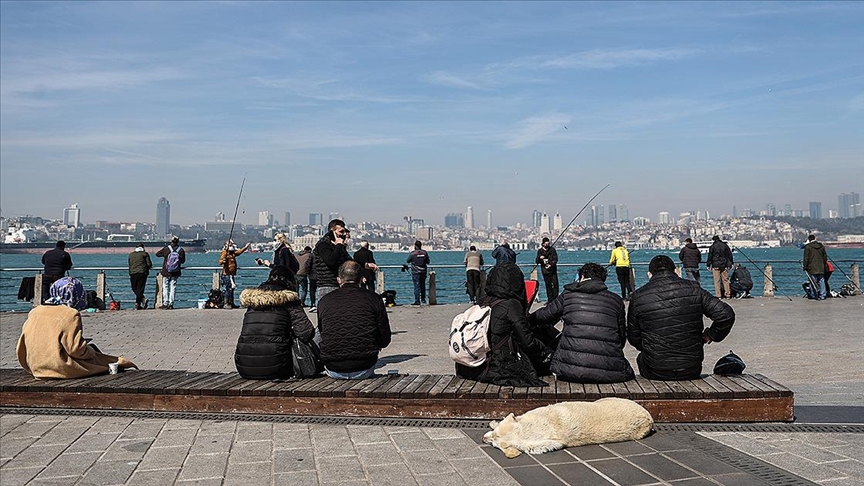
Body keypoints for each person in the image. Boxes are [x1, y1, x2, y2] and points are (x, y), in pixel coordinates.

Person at [627, 255, 735, 381]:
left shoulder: (638, 296)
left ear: (649, 274)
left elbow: (633, 336)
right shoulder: (694, 288)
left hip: (656, 369)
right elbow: (726, 315)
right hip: (690, 368)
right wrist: (711, 335)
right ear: (675, 271)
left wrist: (652, 346)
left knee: (641, 358)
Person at [529, 263, 634, 383]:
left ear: (582, 277)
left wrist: (523, 320)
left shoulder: (569, 294)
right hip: (612, 371)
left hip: (569, 370)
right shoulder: (616, 300)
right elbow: (621, 337)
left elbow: (543, 316)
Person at [455, 263, 548, 387]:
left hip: (471, 367)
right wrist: (547, 352)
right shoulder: (511, 305)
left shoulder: (483, 301)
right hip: (497, 368)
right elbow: (527, 342)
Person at [17, 284, 137, 379]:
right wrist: (91, 352)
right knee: (101, 358)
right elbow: (76, 350)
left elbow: (22, 344)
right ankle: (124, 364)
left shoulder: (35, 311)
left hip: (36, 368)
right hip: (59, 368)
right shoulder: (70, 314)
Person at [234, 266, 315, 380]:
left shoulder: (254, 301)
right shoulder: (288, 300)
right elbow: (306, 332)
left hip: (244, 367)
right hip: (277, 367)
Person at [317, 261, 391, 380]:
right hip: (364, 365)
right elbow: (385, 339)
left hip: (333, 366)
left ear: (339, 280)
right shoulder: (374, 298)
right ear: (362, 279)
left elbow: (322, 332)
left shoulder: (324, 301)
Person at [313, 219, 352, 303]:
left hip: (339, 284)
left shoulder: (338, 246)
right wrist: (338, 245)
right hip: (327, 284)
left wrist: (364, 265)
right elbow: (330, 261)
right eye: (341, 231)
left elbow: (348, 261)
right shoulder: (323, 245)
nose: (344, 234)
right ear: (333, 231)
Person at [219, 240, 250, 309]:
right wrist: (223, 261)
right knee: (228, 289)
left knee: (232, 289)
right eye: (230, 245)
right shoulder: (225, 252)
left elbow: (238, 252)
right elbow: (220, 261)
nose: (232, 245)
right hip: (226, 274)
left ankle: (231, 303)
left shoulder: (232, 253)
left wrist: (245, 247)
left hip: (231, 274)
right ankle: (226, 303)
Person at [156, 236, 185, 309]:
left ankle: (165, 303)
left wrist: (165, 256)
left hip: (166, 271)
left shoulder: (166, 249)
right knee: (173, 287)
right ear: (178, 241)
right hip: (175, 272)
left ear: (171, 241)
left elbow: (157, 254)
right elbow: (183, 261)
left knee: (165, 287)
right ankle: (171, 304)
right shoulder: (180, 250)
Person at [803, 234, 829, 300]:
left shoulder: (808, 247)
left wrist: (805, 266)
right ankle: (823, 294)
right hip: (821, 266)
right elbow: (825, 257)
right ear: (815, 238)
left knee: (812, 281)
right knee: (821, 280)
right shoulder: (821, 246)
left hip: (811, 267)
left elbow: (806, 258)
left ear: (809, 240)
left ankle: (813, 294)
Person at [128, 244, 153, 310]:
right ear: (143, 248)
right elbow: (149, 264)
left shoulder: (131, 254)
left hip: (133, 273)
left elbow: (130, 264)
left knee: (134, 288)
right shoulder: (145, 254)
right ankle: (140, 301)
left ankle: (139, 303)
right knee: (140, 289)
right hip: (142, 273)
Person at [535, 237, 559, 302]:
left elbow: (555, 259)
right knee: (548, 286)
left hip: (553, 270)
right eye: (545, 244)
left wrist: (551, 265)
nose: (547, 245)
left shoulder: (552, 250)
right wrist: (540, 258)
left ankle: (555, 299)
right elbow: (537, 261)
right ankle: (550, 300)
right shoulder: (540, 251)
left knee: (555, 285)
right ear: (543, 244)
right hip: (545, 271)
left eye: (548, 244)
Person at [406, 240, 430, 305]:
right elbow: (428, 261)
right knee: (423, 286)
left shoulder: (412, 253)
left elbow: (408, 261)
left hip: (415, 272)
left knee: (416, 286)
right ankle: (423, 299)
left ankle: (417, 301)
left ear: (415, 246)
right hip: (423, 271)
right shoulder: (424, 253)